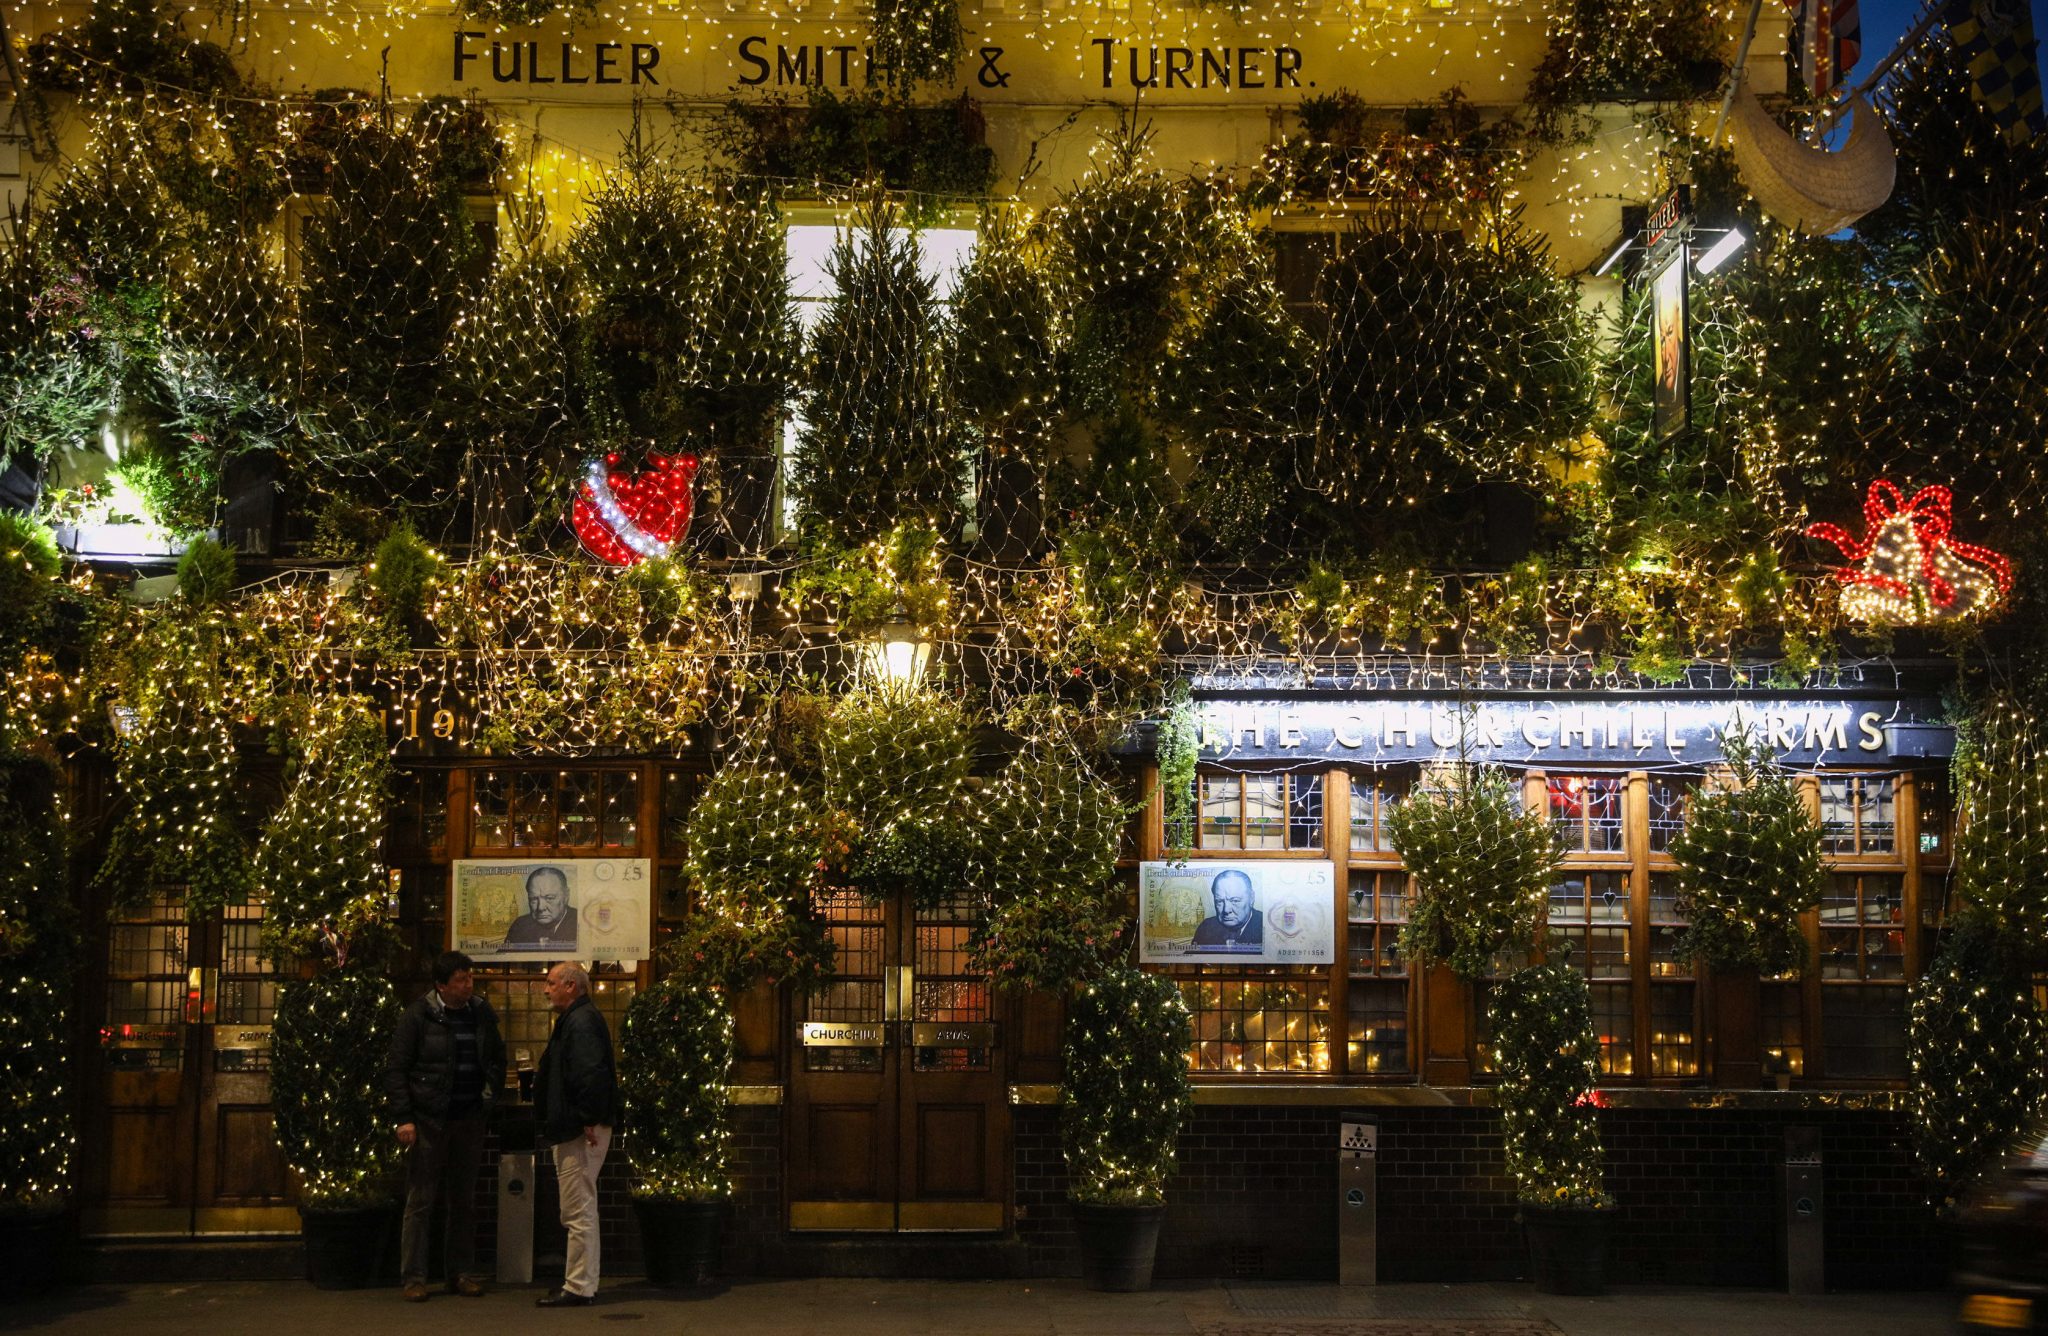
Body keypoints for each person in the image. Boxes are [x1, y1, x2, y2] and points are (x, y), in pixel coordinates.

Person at [384, 950, 506, 1303]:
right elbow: (397, 1069)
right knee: (421, 1199)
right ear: (441, 985)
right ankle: (414, 1277)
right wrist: (404, 1117)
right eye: (461, 980)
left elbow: (497, 1058)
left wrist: (488, 1097)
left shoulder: (481, 1013)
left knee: (463, 1201)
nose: (469, 985)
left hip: (469, 1118)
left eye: (470, 978)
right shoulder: (417, 1016)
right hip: (429, 1119)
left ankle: (460, 1273)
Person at [534, 961, 618, 1308]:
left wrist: (586, 1118)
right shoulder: (582, 1018)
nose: (546, 988)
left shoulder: (579, 1022)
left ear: (571, 986)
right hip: (579, 1124)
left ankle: (579, 1285)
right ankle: (583, 1282)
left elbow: (589, 1074)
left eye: (552, 982)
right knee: (582, 1206)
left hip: (578, 1128)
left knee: (577, 1209)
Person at [501, 865, 578, 951]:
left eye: (549, 898)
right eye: (534, 899)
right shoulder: (520, 926)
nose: (540, 908)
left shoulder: (581, 923)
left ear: (566, 896)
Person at [1191, 868, 1263, 949]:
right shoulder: (1206, 928)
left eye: (1235, 900)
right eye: (1219, 901)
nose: (1226, 910)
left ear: (1252, 898)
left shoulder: (1265, 926)